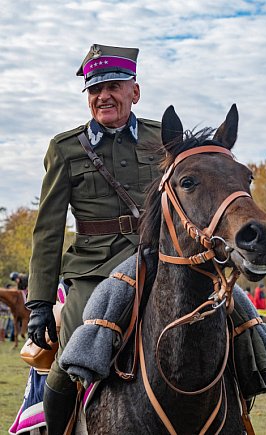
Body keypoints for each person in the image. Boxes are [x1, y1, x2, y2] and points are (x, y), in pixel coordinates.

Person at [25, 44, 162, 434]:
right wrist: (39, 303)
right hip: (92, 270)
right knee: (73, 354)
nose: (103, 96)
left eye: (114, 86)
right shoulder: (66, 148)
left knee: (234, 322)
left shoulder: (162, 137)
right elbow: (48, 229)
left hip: (156, 257)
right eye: (94, 89)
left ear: (134, 91)